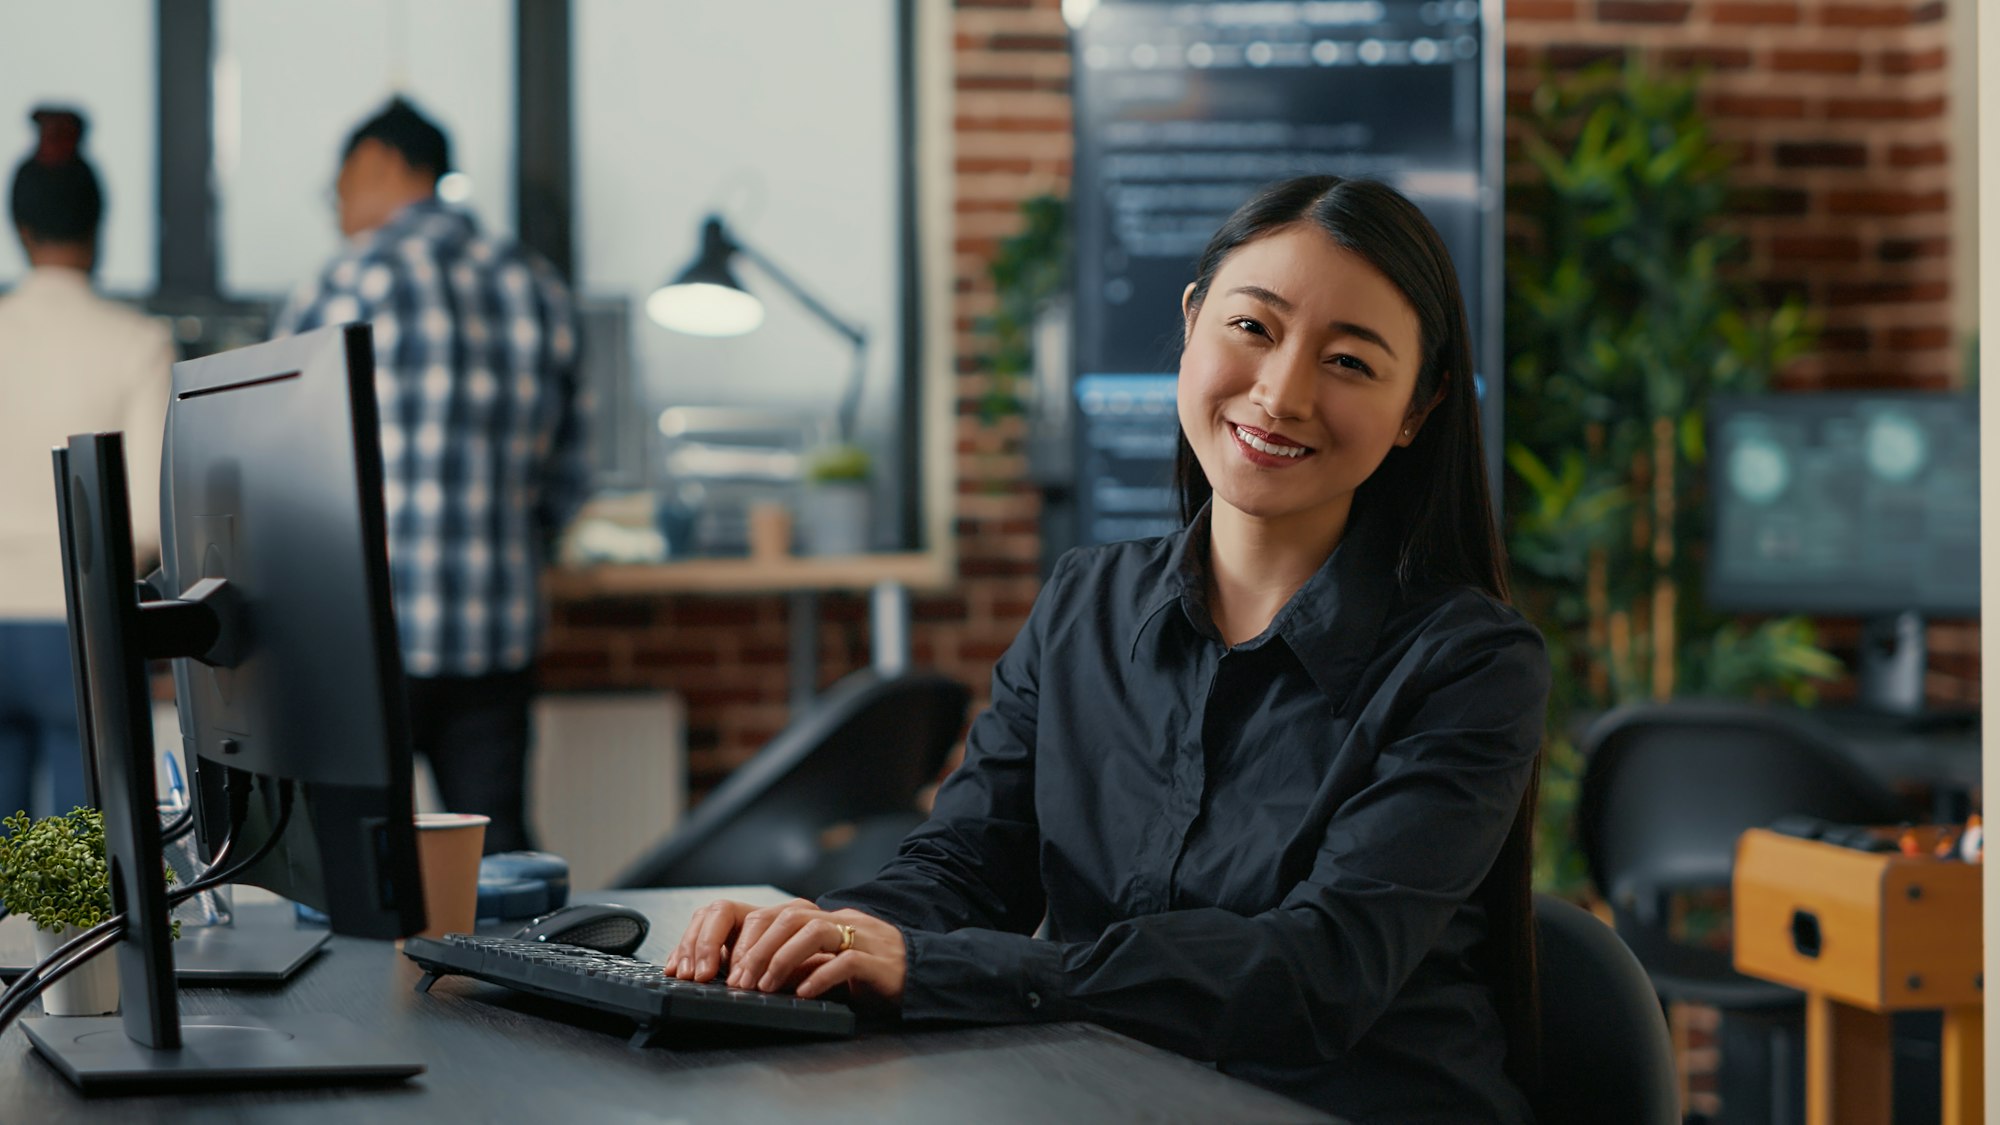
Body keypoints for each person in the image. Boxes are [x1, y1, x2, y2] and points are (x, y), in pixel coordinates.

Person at [670, 175, 1548, 1121]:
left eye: (1349, 362)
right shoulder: (1086, 601)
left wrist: (940, 969)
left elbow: (1318, 972)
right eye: (1253, 328)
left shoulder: (1470, 664)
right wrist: (828, 931)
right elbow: (969, 865)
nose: (1282, 392)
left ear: (1418, 408)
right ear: (1191, 320)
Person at [273, 97, 588, 854]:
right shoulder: (537, 286)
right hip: (495, 627)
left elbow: (280, 466)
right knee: (499, 859)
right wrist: (510, 540)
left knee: (354, 858)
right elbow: (570, 474)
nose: (339, 211)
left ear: (378, 164)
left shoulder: (343, 285)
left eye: (339, 188)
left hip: (365, 629)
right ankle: (513, 976)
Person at [0, 107, 173, 820]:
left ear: (21, 228)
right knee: (88, 873)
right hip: (85, 621)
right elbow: (145, 517)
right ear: (98, 229)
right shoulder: (139, 340)